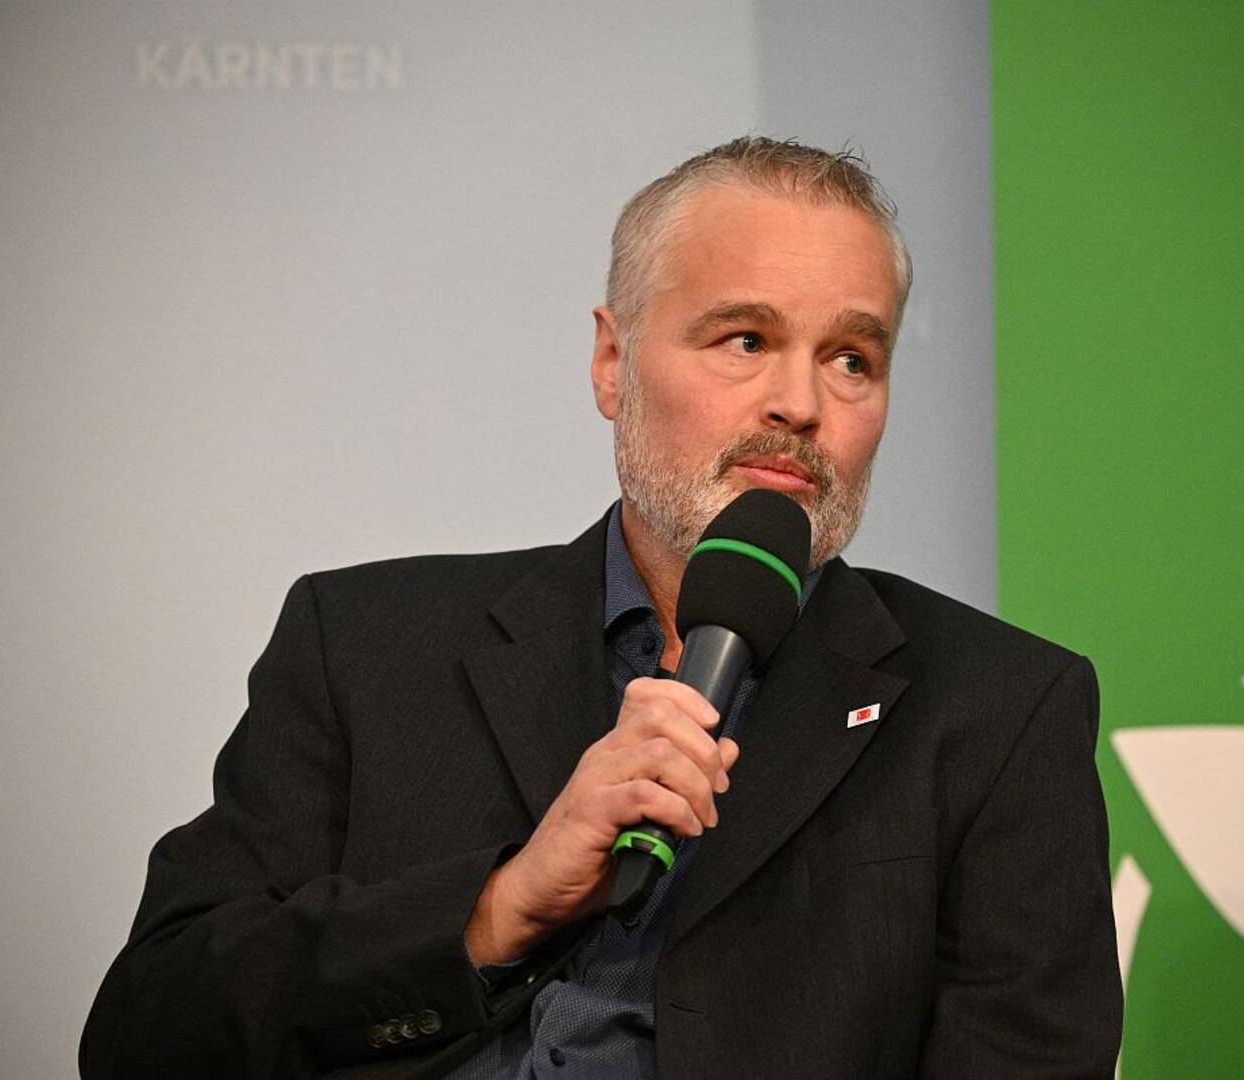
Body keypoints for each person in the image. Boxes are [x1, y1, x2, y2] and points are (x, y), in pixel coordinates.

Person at [81, 136, 1122, 1079]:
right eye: (745, 339)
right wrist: (499, 908)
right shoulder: (362, 642)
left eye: (853, 359)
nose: (801, 405)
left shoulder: (996, 711)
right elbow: (148, 1032)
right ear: (612, 363)